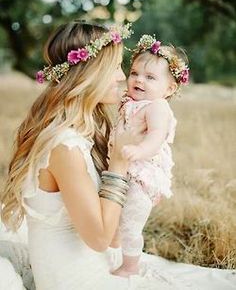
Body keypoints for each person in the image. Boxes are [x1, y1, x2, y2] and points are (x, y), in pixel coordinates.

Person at [1, 21, 195, 290]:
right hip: (77, 281)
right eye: (115, 66)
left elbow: (112, 235)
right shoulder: (64, 146)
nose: (121, 76)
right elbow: (102, 239)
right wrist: (119, 162)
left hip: (97, 262)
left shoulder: (79, 132)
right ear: (90, 74)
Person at [109, 35, 189, 277]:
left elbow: (156, 137)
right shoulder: (130, 102)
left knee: (130, 223)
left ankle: (130, 266)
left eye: (150, 77)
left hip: (143, 175)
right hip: (124, 168)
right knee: (114, 216)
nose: (138, 80)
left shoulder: (157, 107)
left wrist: (139, 150)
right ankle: (112, 251)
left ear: (169, 88)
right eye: (134, 73)